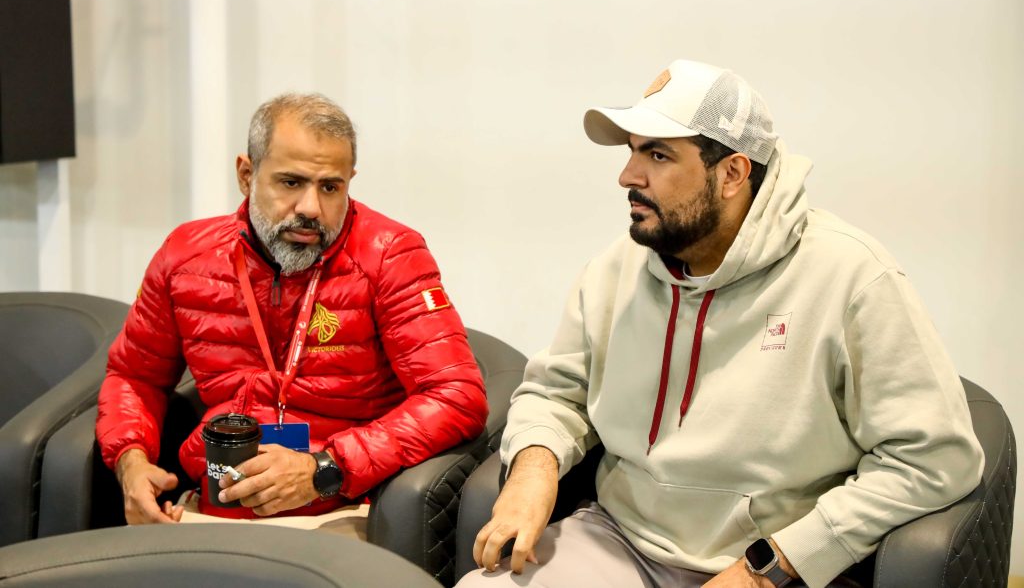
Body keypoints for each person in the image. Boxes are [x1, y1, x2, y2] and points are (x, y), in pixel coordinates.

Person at [461, 60, 983, 588]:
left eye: (658, 155)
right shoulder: (616, 268)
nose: (628, 177)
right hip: (618, 540)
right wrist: (534, 469)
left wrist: (771, 566)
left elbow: (933, 458)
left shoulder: (852, 277)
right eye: (632, 152)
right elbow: (556, 392)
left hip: (777, 564)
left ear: (732, 173)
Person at [97, 92, 488, 529]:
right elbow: (134, 376)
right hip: (212, 504)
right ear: (246, 175)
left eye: (330, 187)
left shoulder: (390, 255)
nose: (310, 208)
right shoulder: (186, 256)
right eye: (290, 183)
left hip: (342, 506)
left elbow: (456, 396)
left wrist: (324, 469)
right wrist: (130, 461)